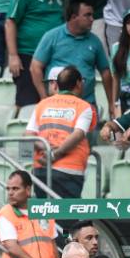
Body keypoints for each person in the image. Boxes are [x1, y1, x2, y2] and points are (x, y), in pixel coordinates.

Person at [26, 66, 96, 199]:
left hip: (41, 169)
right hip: (68, 170)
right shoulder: (84, 107)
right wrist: (55, 154)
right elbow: (78, 134)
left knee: (46, 217)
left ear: (57, 85)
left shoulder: (42, 104)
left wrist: (45, 146)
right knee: (66, 217)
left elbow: (28, 136)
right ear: (78, 83)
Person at [30, 0, 113, 110]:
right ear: (74, 17)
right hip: (57, 106)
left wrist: (111, 104)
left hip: (86, 105)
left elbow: (105, 72)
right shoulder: (52, 36)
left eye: (92, 15)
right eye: (87, 15)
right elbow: (35, 67)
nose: (92, 19)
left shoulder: (95, 41)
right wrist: (44, 98)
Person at [6, 0, 65, 108]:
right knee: (27, 102)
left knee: (56, 102)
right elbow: (10, 22)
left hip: (54, 56)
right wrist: (13, 55)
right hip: (28, 54)